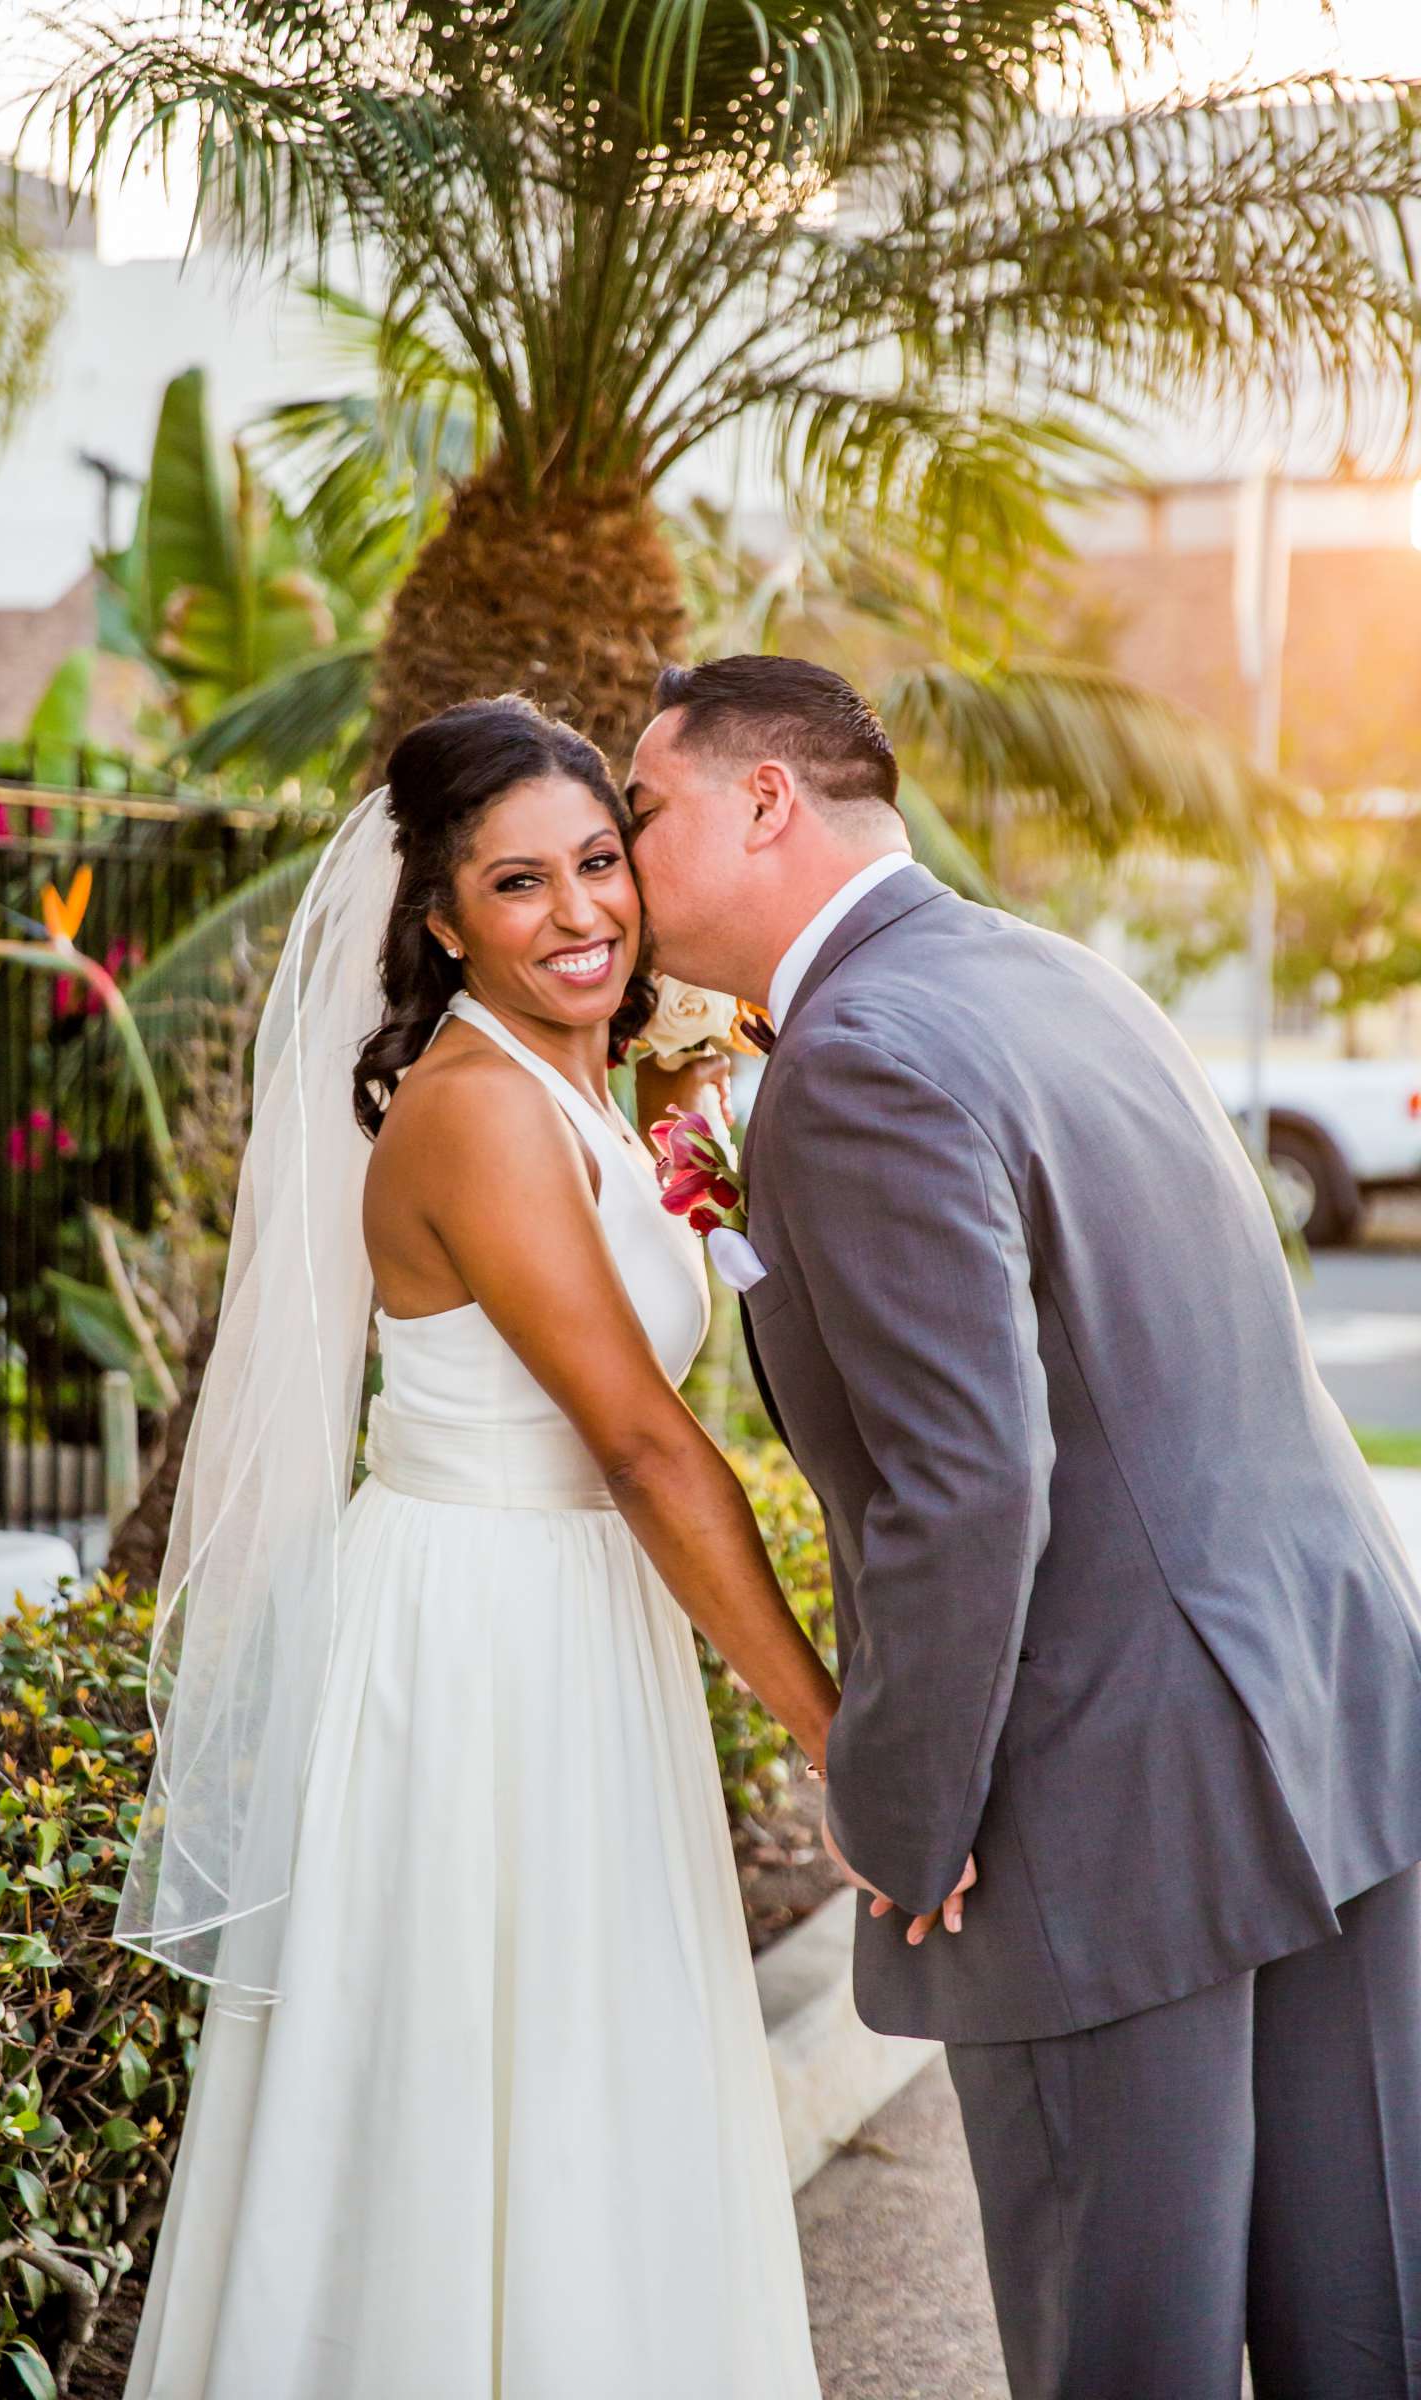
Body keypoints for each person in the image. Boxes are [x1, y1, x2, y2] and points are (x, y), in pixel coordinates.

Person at [626, 653, 1421, 2400]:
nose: (624, 851)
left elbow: (964, 1487)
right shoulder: (1058, 975)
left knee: (1116, 2341)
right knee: (1354, 2318)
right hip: (1332, 1716)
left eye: (645, 807)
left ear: (767, 801)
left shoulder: (857, 1059)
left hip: (1105, 1790)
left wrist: (903, 1805)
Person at [116, 695, 834, 2398]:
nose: (580, 912)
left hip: (582, 1626)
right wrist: (845, 1738)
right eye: (519, 887)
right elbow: (652, 1450)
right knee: (475, 2087)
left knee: (592, 2075)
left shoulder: (613, 1071)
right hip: (481, 1641)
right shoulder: (474, 1111)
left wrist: (707, 1091)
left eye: (602, 861)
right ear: (440, 923)